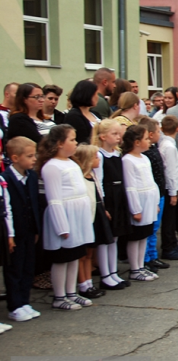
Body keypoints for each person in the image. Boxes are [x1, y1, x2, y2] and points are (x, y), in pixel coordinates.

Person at [38, 125, 94, 309]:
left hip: (77, 216)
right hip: (65, 216)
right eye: (72, 140)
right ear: (60, 144)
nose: (76, 143)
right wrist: (62, 226)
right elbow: (54, 199)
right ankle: (59, 296)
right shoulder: (52, 166)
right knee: (62, 259)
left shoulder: (71, 163)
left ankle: (72, 292)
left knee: (74, 256)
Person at [3, 137, 41, 321]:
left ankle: (25, 302)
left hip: (28, 229)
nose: (34, 159)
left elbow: (34, 202)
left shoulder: (32, 176)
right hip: (15, 231)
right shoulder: (6, 179)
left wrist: (36, 228)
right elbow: (7, 208)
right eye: (30, 156)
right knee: (14, 269)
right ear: (15, 158)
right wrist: (9, 235)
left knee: (28, 267)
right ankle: (14, 305)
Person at [91, 119, 130, 290]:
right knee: (105, 239)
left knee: (115, 237)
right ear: (103, 136)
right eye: (114, 134)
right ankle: (105, 274)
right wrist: (103, 205)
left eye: (118, 133)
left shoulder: (117, 154)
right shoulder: (99, 155)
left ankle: (113, 272)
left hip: (118, 195)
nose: (118, 137)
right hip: (108, 197)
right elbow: (98, 181)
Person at [121, 125, 161, 281]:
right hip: (139, 202)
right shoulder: (128, 160)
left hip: (149, 201)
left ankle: (141, 265)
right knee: (135, 237)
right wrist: (135, 209)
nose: (149, 141)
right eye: (145, 138)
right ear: (137, 142)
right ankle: (135, 268)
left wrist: (155, 202)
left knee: (144, 235)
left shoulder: (144, 158)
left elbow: (151, 182)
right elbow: (130, 186)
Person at [70, 144, 106, 299]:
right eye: (95, 157)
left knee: (90, 251)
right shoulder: (81, 178)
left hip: (95, 214)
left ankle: (89, 282)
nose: (98, 159)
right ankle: (83, 283)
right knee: (83, 253)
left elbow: (98, 195)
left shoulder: (93, 175)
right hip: (85, 217)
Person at [137, 117, 169, 273]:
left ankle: (153, 255)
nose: (160, 133)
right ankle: (146, 258)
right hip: (151, 195)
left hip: (159, 192)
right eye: (157, 131)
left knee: (155, 227)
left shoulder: (154, 148)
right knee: (150, 228)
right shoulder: (146, 154)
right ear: (150, 134)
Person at [157, 116, 178, 261]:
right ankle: (168, 246)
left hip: (170, 187)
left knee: (172, 218)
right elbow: (171, 171)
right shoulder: (168, 146)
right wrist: (174, 191)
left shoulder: (166, 143)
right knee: (169, 219)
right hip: (170, 188)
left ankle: (173, 244)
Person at [64, 80, 101, 144]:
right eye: (96, 94)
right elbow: (82, 139)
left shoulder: (96, 114)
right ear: (87, 95)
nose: (97, 97)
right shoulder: (74, 116)